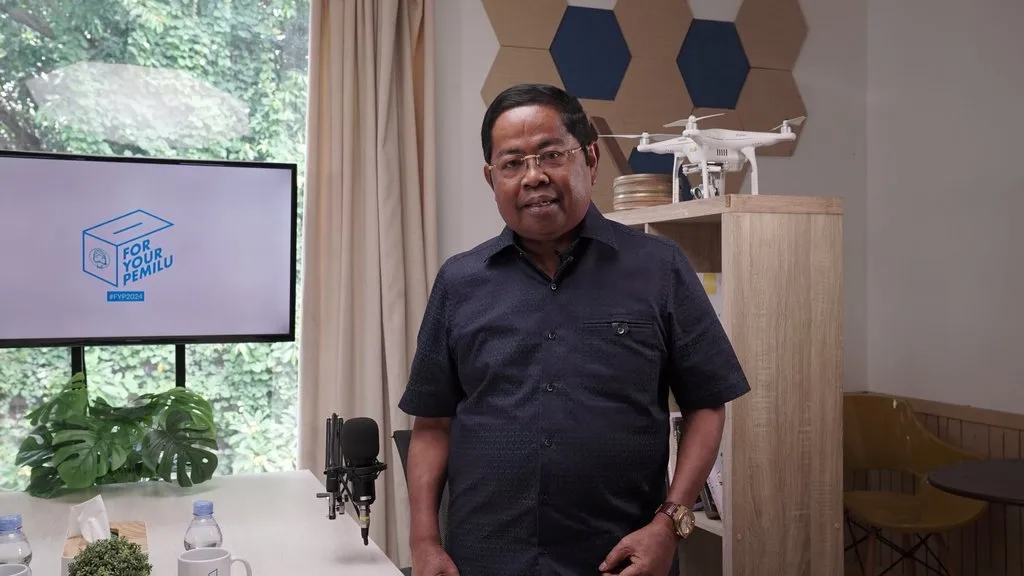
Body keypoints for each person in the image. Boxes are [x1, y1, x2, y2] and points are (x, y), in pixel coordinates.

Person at [399, 83, 750, 576]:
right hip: (484, 559)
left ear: (590, 158)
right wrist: (423, 541)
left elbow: (708, 403)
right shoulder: (459, 282)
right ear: (491, 178)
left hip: (621, 558)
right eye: (512, 163)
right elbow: (432, 425)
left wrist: (670, 523)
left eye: (551, 155)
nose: (533, 176)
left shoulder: (660, 267)